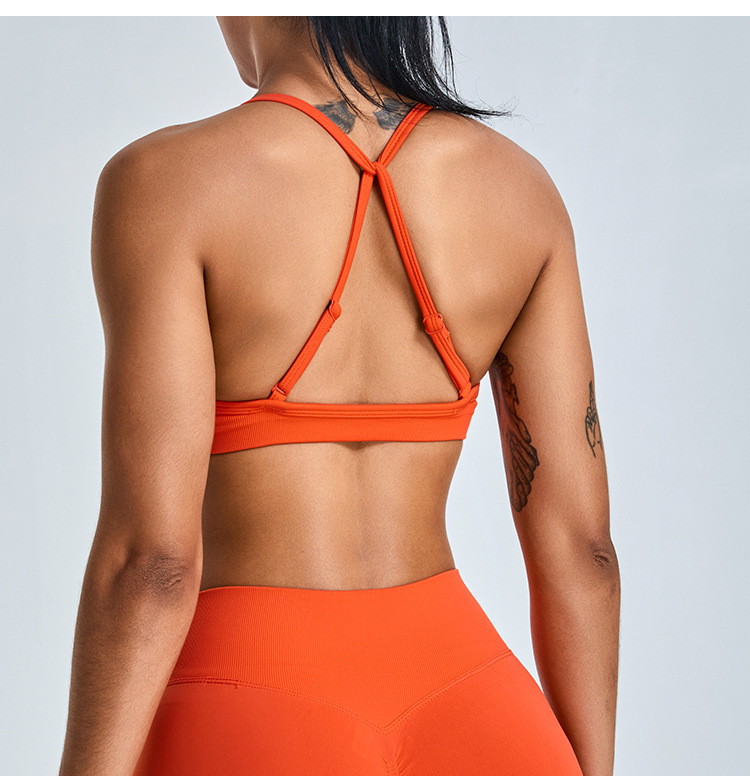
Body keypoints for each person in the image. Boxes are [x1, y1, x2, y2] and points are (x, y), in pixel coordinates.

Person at [59, 16, 620, 776]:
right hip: (479, 707)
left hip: (249, 703)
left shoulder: (164, 182)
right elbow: (584, 550)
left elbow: (151, 563)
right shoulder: (522, 191)